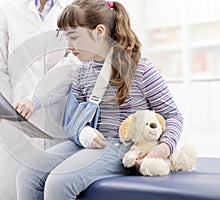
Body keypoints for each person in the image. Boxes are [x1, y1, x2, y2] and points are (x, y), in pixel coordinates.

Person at [13, 0, 184, 199]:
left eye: (74, 38)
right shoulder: (82, 72)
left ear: (99, 32)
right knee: (27, 175)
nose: (69, 47)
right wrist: (83, 133)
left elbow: (173, 115)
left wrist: (163, 148)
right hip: (89, 143)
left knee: (59, 182)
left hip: (124, 146)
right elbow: (73, 121)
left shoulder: (141, 70)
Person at [0, 0, 75, 199]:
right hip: (15, 121)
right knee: (8, 190)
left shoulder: (73, 8)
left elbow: (73, 63)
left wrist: (35, 97)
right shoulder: (9, 10)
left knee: (52, 189)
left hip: (57, 118)